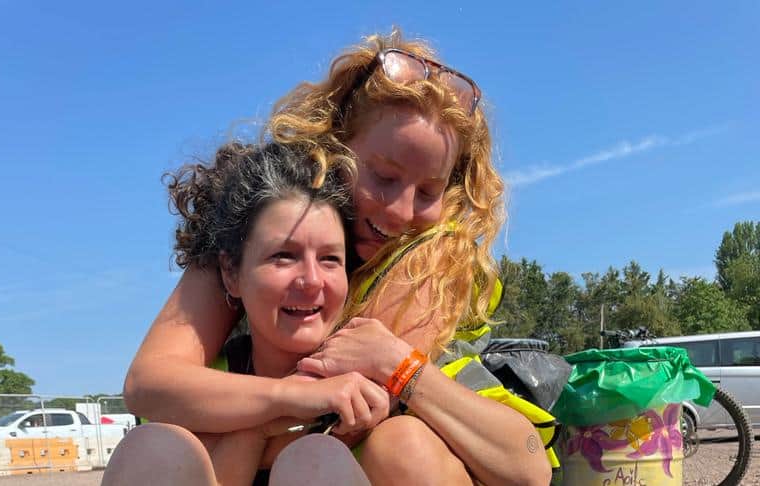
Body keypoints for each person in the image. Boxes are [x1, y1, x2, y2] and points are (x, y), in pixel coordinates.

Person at [111, 30, 553, 486]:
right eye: (383, 176)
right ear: (337, 146)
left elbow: (336, 417)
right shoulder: (262, 219)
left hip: (349, 459)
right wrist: (282, 403)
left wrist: (394, 365)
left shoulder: (433, 263)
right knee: (157, 448)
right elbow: (151, 382)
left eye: (427, 192)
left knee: (392, 445)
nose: (401, 211)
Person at [103, 142, 387, 486]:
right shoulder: (198, 388)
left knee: (316, 459)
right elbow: (143, 388)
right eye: (283, 255)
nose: (312, 280)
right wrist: (286, 399)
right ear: (231, 273)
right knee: (152, 448)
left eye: (330, 259)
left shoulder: (369, 386)